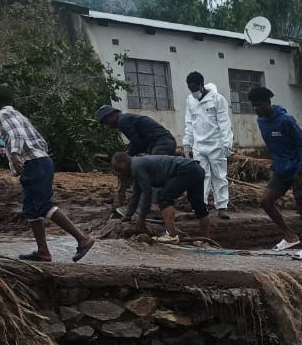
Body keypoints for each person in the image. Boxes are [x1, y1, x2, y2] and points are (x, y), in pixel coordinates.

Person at [0, 86, 94, 262]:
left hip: (34, 164)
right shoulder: (18, 114)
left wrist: (16, 153)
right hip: (40, 161)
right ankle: (43, 251)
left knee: (43, 206)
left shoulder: (4, 113)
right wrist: (10, 152)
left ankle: (83, 239)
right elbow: (38, 140)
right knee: (31, 210)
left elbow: (15, 134)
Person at [249, 87, 302, 259]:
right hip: (280, 170)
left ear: (268, 103)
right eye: (254, 106)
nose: (256, 109)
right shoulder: (261, 121)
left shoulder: (286, 121)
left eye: (259, 105)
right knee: (265, 201)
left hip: (297, 171)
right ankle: (290, 235)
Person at [112, 152, 210, 243]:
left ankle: (171, 236)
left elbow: (147, 193)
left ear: (124, 162)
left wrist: (142, 217)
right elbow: (136, 193)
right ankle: (206, 240)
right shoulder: (137, 164)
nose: (120, 173)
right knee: (198, 205)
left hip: (185, 171)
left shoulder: (136, 166)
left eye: (119, 169)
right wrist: (128, 215)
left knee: (164, 198)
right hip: (196, 169)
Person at [97, 105, 177, 206]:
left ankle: (156, 206)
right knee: (157, 172)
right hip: (162, 142)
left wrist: (126, 155)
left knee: (154, 173)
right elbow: (138, 142)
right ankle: (162, 202)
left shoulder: (122, 121)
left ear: (111, 115)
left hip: (162, 143)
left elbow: (138, 143)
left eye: (106, 122)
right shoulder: (125, 119)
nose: (107, 125)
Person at [183, 72, 233, 219]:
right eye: (190, 89)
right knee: (200, 177)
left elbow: (224, 123)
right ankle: (200, 206)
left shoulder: (217, 100)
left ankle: (222, 206)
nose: (193, 92)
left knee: (219, 176)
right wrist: (187, 143)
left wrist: (227, 143)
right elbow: (189, 123)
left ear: (201, 85)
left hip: (216, 144)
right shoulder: (190, 100)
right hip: (199, 145)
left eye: (195, 88)